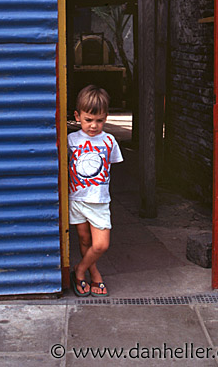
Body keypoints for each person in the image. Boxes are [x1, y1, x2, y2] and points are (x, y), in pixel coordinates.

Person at [68, 84, 123, 297]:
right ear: (78, 116)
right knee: (84, 241)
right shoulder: (71, 141)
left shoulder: (109, 141)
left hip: (99, 202)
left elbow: (111, 167)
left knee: (101, 245)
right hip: (77, 199)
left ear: (106, 117)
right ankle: (94, 273)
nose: (93, 126)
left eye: (99, 120)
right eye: (88, 120)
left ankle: (79, 270)